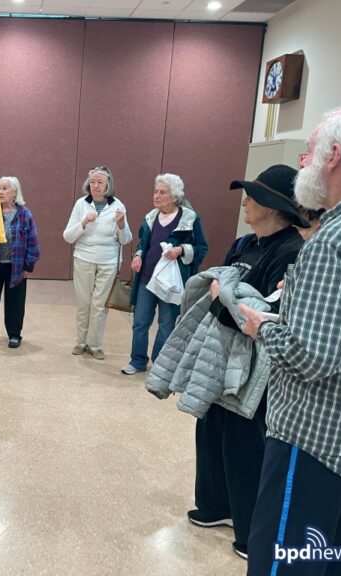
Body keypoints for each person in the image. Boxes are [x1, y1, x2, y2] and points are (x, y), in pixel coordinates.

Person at [240, 101, 341, 575]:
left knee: (287, 565)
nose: (304, 162)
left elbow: (312, 358)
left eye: (309, 151)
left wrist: (267, 326)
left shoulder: (337, 239)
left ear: (335, 156)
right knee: (339, 562)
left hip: (313, 446)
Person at [186, 164, 308, 561]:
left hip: (256, 362)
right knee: (211, 428)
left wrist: (226, 296)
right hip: (221, 352)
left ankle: (247, 525)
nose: (245, 203)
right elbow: (223, 290)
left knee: (244, 441)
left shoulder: (292, 250)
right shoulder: (244, 243)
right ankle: (215, 506)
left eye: (252, 198)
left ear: (274, 206)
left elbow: (261, 311)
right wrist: (226, 295)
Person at [121, 174, 208, 375]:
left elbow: (201, 248)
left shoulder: (189, 218)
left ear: (175, 196)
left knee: (167, 324)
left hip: (172, 282)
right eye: (155, 191)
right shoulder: (150, 218)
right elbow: (144, 243)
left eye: (162, 192)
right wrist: (138, 254)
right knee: (140, 322)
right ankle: (137, 360)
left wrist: (181, 250)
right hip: (146, 279)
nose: (156, 196)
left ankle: (160, 363)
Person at [63, 166, 132, 360]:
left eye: (100, 182)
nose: (95, 186)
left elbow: (126, 239)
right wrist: (83, 222)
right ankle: (81, 341)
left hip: (108, 260)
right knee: (84, 303)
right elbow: (68, 236)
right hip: (84, 257)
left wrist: (121, 224)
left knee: (99, 305)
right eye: (92, 182)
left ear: (108, 185)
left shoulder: (118, 205)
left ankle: (94, 345)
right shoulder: (81, 204)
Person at [0, 177, 40, 349]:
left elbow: (32, 241)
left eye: (5, 188)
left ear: (14, 193)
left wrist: (29, 265)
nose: (0, 192)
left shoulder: (25, 214)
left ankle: (14, 334)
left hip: (16, 266)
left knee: (15, 302)